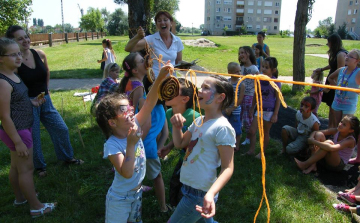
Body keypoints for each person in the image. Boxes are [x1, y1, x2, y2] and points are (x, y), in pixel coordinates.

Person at [95, 61, 172, 223]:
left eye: (129, 107)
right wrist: (130, 144)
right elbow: (127, 172)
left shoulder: (135, 123)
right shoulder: (112, 145)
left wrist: (159, 78)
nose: (131, 110)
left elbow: (150, 102)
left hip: (136, 193)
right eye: (124, 110)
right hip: (120, 199)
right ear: (112, 122)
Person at [5, 25, 83, 177]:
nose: (25, 40)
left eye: (26, 36)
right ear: (13, 42)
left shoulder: (39, 54)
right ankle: (40, 167)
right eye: (19, 38)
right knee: (34, 137)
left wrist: (47, 91)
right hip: (27, 103)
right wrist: (28, 102)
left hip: (45, 99)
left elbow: (46, 71)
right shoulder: (15, 62)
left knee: (61, 128)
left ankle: (67, 158)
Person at [167, 75, 236, 223]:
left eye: (206, 88)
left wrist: (210, 194)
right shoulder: (199, 121)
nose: (199, 90)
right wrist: (176, 126)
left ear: (220, 97)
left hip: (200, 193)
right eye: (201, 87)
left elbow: (228, 167)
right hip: (189, 186)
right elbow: (179, 143)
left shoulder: (222, 128)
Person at [0, 37, 56, 218]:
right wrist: (18, 141)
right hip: (18, 131)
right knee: (27, 169)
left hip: (20, 129)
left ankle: (20, 198)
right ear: (1, 58)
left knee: (16, 167)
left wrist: (32, 102)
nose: (18, 57)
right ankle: (36, 207)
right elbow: (4, 116)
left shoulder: (12, 75)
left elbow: (17, 102)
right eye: (13, 54)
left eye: (19, 53)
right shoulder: (2, 82)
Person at [157, 78, 200, 208]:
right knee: (175, 184)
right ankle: (175, 210)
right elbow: (179, 139)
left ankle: (186, 212)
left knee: (188, 190)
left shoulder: (195, 117)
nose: (167, 92)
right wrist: (169, 147)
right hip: (184, 158)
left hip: (196, 161)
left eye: (173, 90)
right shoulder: (169, 113)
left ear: (185, 99)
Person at [125, 11, 184, 78]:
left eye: (165, 20)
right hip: (155, 80)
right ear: (156, 24)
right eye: (159, 21)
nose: (162, 22)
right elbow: (128, 48)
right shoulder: (151, 39)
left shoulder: (177, 41)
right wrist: (138, 36)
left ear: (171, 23)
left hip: (172, 82)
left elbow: (178, 63)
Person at [327, 49, 360, 165]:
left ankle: (345, 154)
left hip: (349, 105)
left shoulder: (358, 72)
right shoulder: (341, 70)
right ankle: (335, 151)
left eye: (351, 56)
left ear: (357, 61)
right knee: (338, 127)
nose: (347, 57)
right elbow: (330, 78)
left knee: (348, 129)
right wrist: (336, 87)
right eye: (347, 55)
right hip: (337, 103)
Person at [295, 115, 359, 174]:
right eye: (341, 122)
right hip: (327, 158)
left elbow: (331, 148)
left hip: (337, 165)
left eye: (344, 124)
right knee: (319, 134)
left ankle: (305, 164)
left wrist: (313, 142)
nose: (340, 124)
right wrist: (311, 138)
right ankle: (313, 165)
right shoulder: (336, 130)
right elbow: (316, 132)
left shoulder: (350, 140)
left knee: (329, 143)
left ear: (351, 130)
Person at [244, 57, 281, 158]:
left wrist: (275, 114)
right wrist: (252, 108)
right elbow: (256, 95)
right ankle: (251, 151)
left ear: (273, 70)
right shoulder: (258, 80)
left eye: (266, 67)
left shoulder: (276, 82)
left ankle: (262, 153)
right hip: (259, 109)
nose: (263, 69)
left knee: (265, 132)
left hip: (269, 111)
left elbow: (278, 99)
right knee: (252, 130)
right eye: (262, 67)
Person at [314, 33, 347, 129]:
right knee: (331, 106)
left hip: (335, 83)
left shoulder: (341, 54)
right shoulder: (336, 53)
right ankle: (330, 127)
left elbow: (340, 72)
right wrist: (321, 69)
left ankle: (335, 129)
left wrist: (333, 87)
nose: (327, 44)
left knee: (334, 108)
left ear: (332, 42)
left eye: (328, 42)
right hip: (331, 81)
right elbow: (332, 65)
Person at [238, 46, 259, 146]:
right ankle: (239, 135)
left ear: (249, 54)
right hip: (240, 95)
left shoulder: (254, 69)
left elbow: (258, 84)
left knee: (248, 118)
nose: (241, 55)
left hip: (249, 96)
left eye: (243, 53)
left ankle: (249, 137)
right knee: (240, 116)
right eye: (240, 53)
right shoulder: (240, 67)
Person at [223, 62, 245, 151]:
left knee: (236, 129)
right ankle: (225, 143)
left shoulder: (241, 84)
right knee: (225, 128)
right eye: (236, 72)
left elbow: (240, 99)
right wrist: (225, 107)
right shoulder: (226, 83)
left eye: (240, 71)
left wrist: (232, 108)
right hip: (225, 109)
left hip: (235, 111)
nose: (239, 73)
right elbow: (224, 96)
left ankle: (237, 145)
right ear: (229, 72)